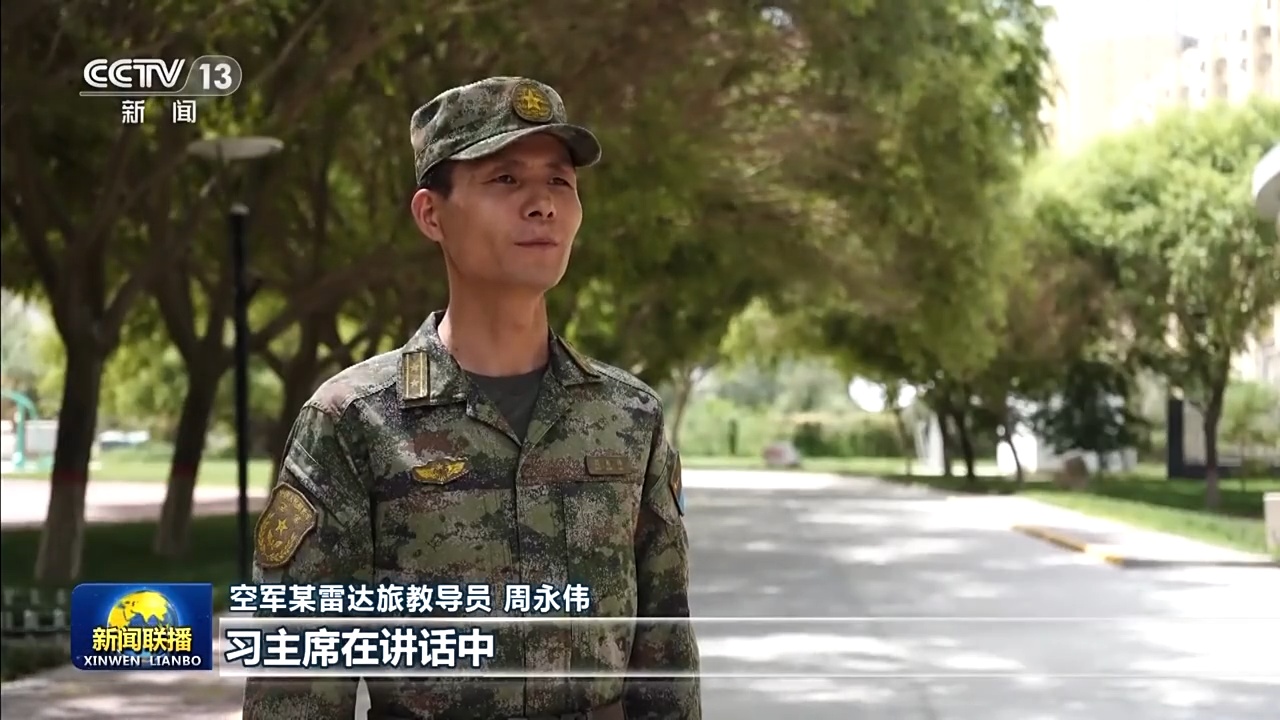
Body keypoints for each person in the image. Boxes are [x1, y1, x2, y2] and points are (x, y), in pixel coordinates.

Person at [242, 76, 701, 720]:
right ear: (432, 214)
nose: (542, 204)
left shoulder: (629, 417)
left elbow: (666, 656)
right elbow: (298, 679)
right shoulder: (354, 420)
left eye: (560, 181)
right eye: (505, 179)